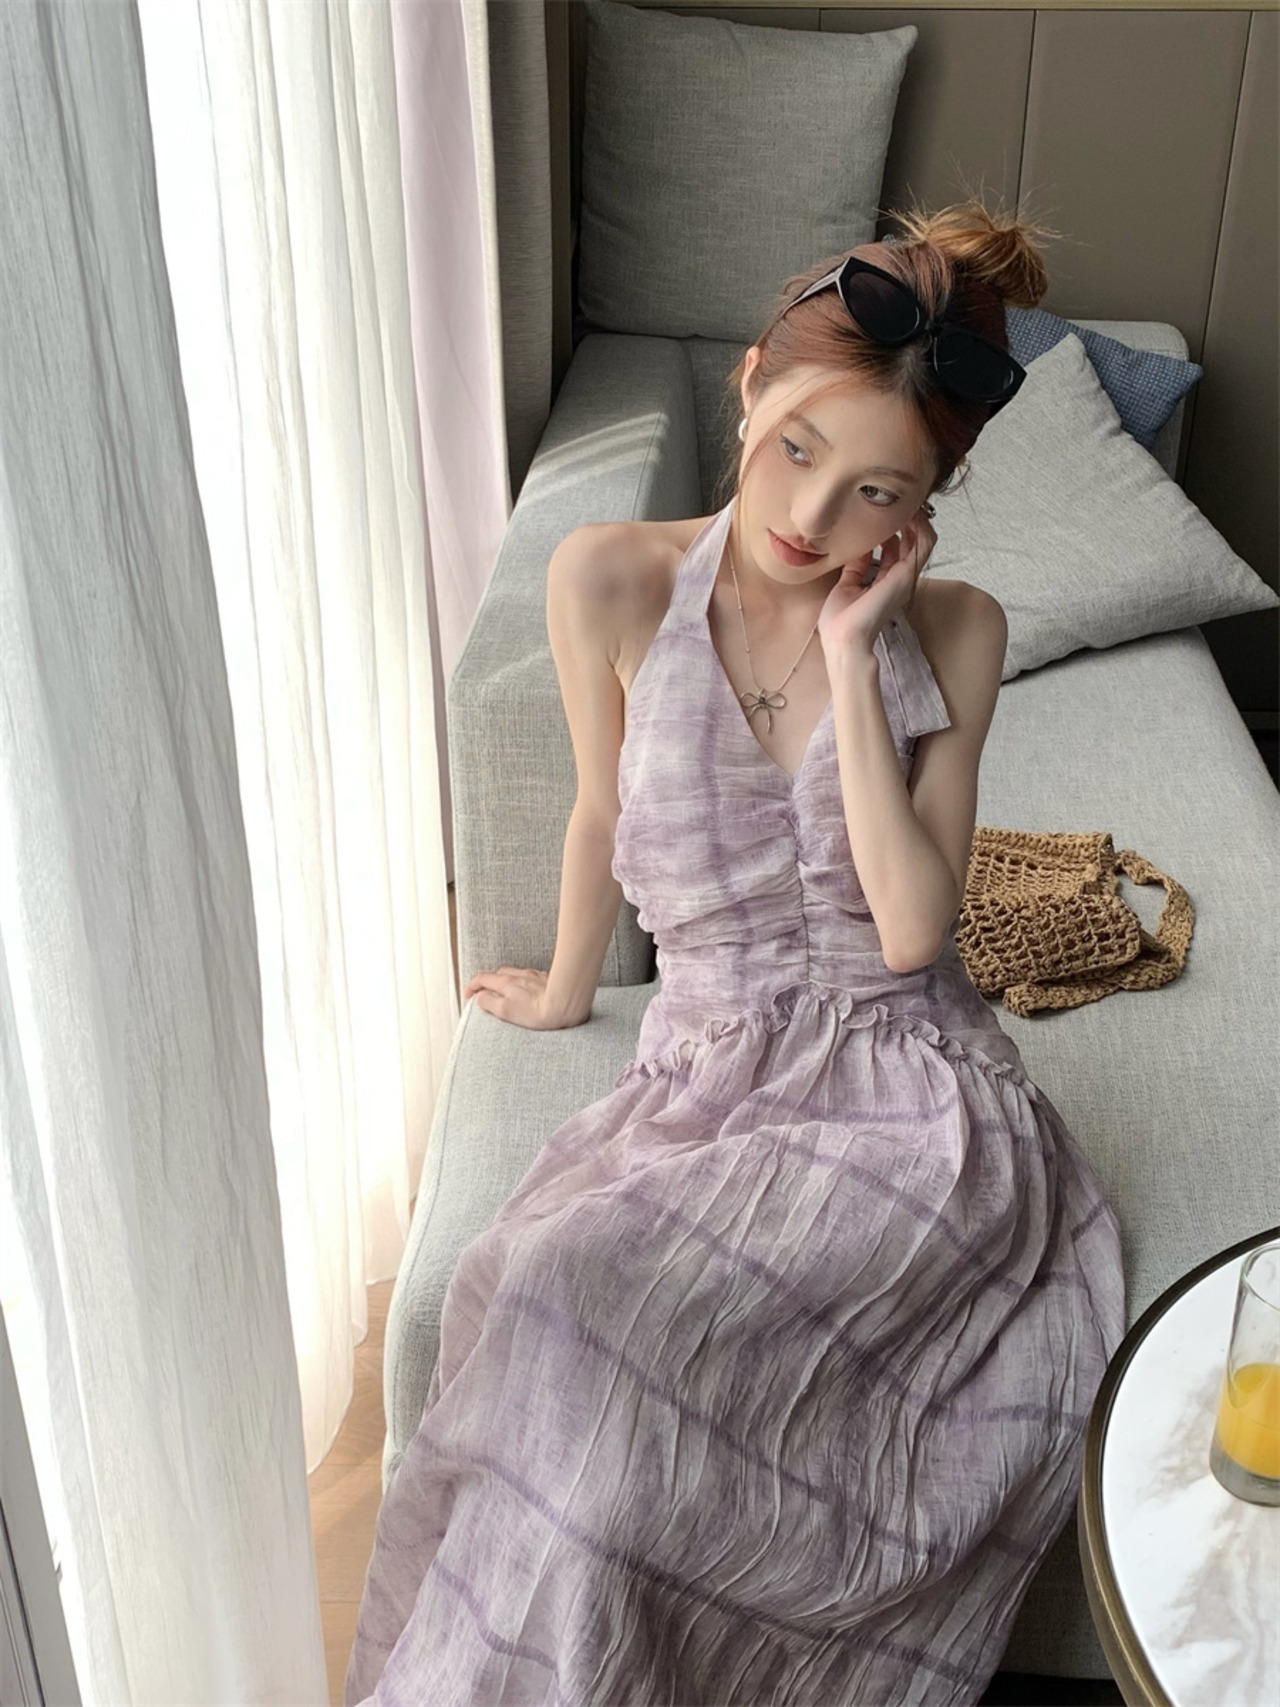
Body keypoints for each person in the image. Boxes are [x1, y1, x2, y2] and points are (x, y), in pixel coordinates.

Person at [344, 198, 1127, 1707]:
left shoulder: (955, 630)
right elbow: (597, 809)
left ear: (927, 508)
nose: (812, 517)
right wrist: (565, 989)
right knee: (548, 1286)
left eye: (876, 492)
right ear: (753, 381)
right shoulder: (609, 578)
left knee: (634, 1392)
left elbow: (914, 928)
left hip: (917, 1113)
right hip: (707, 1079)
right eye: (797, 449)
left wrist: (853, 655)